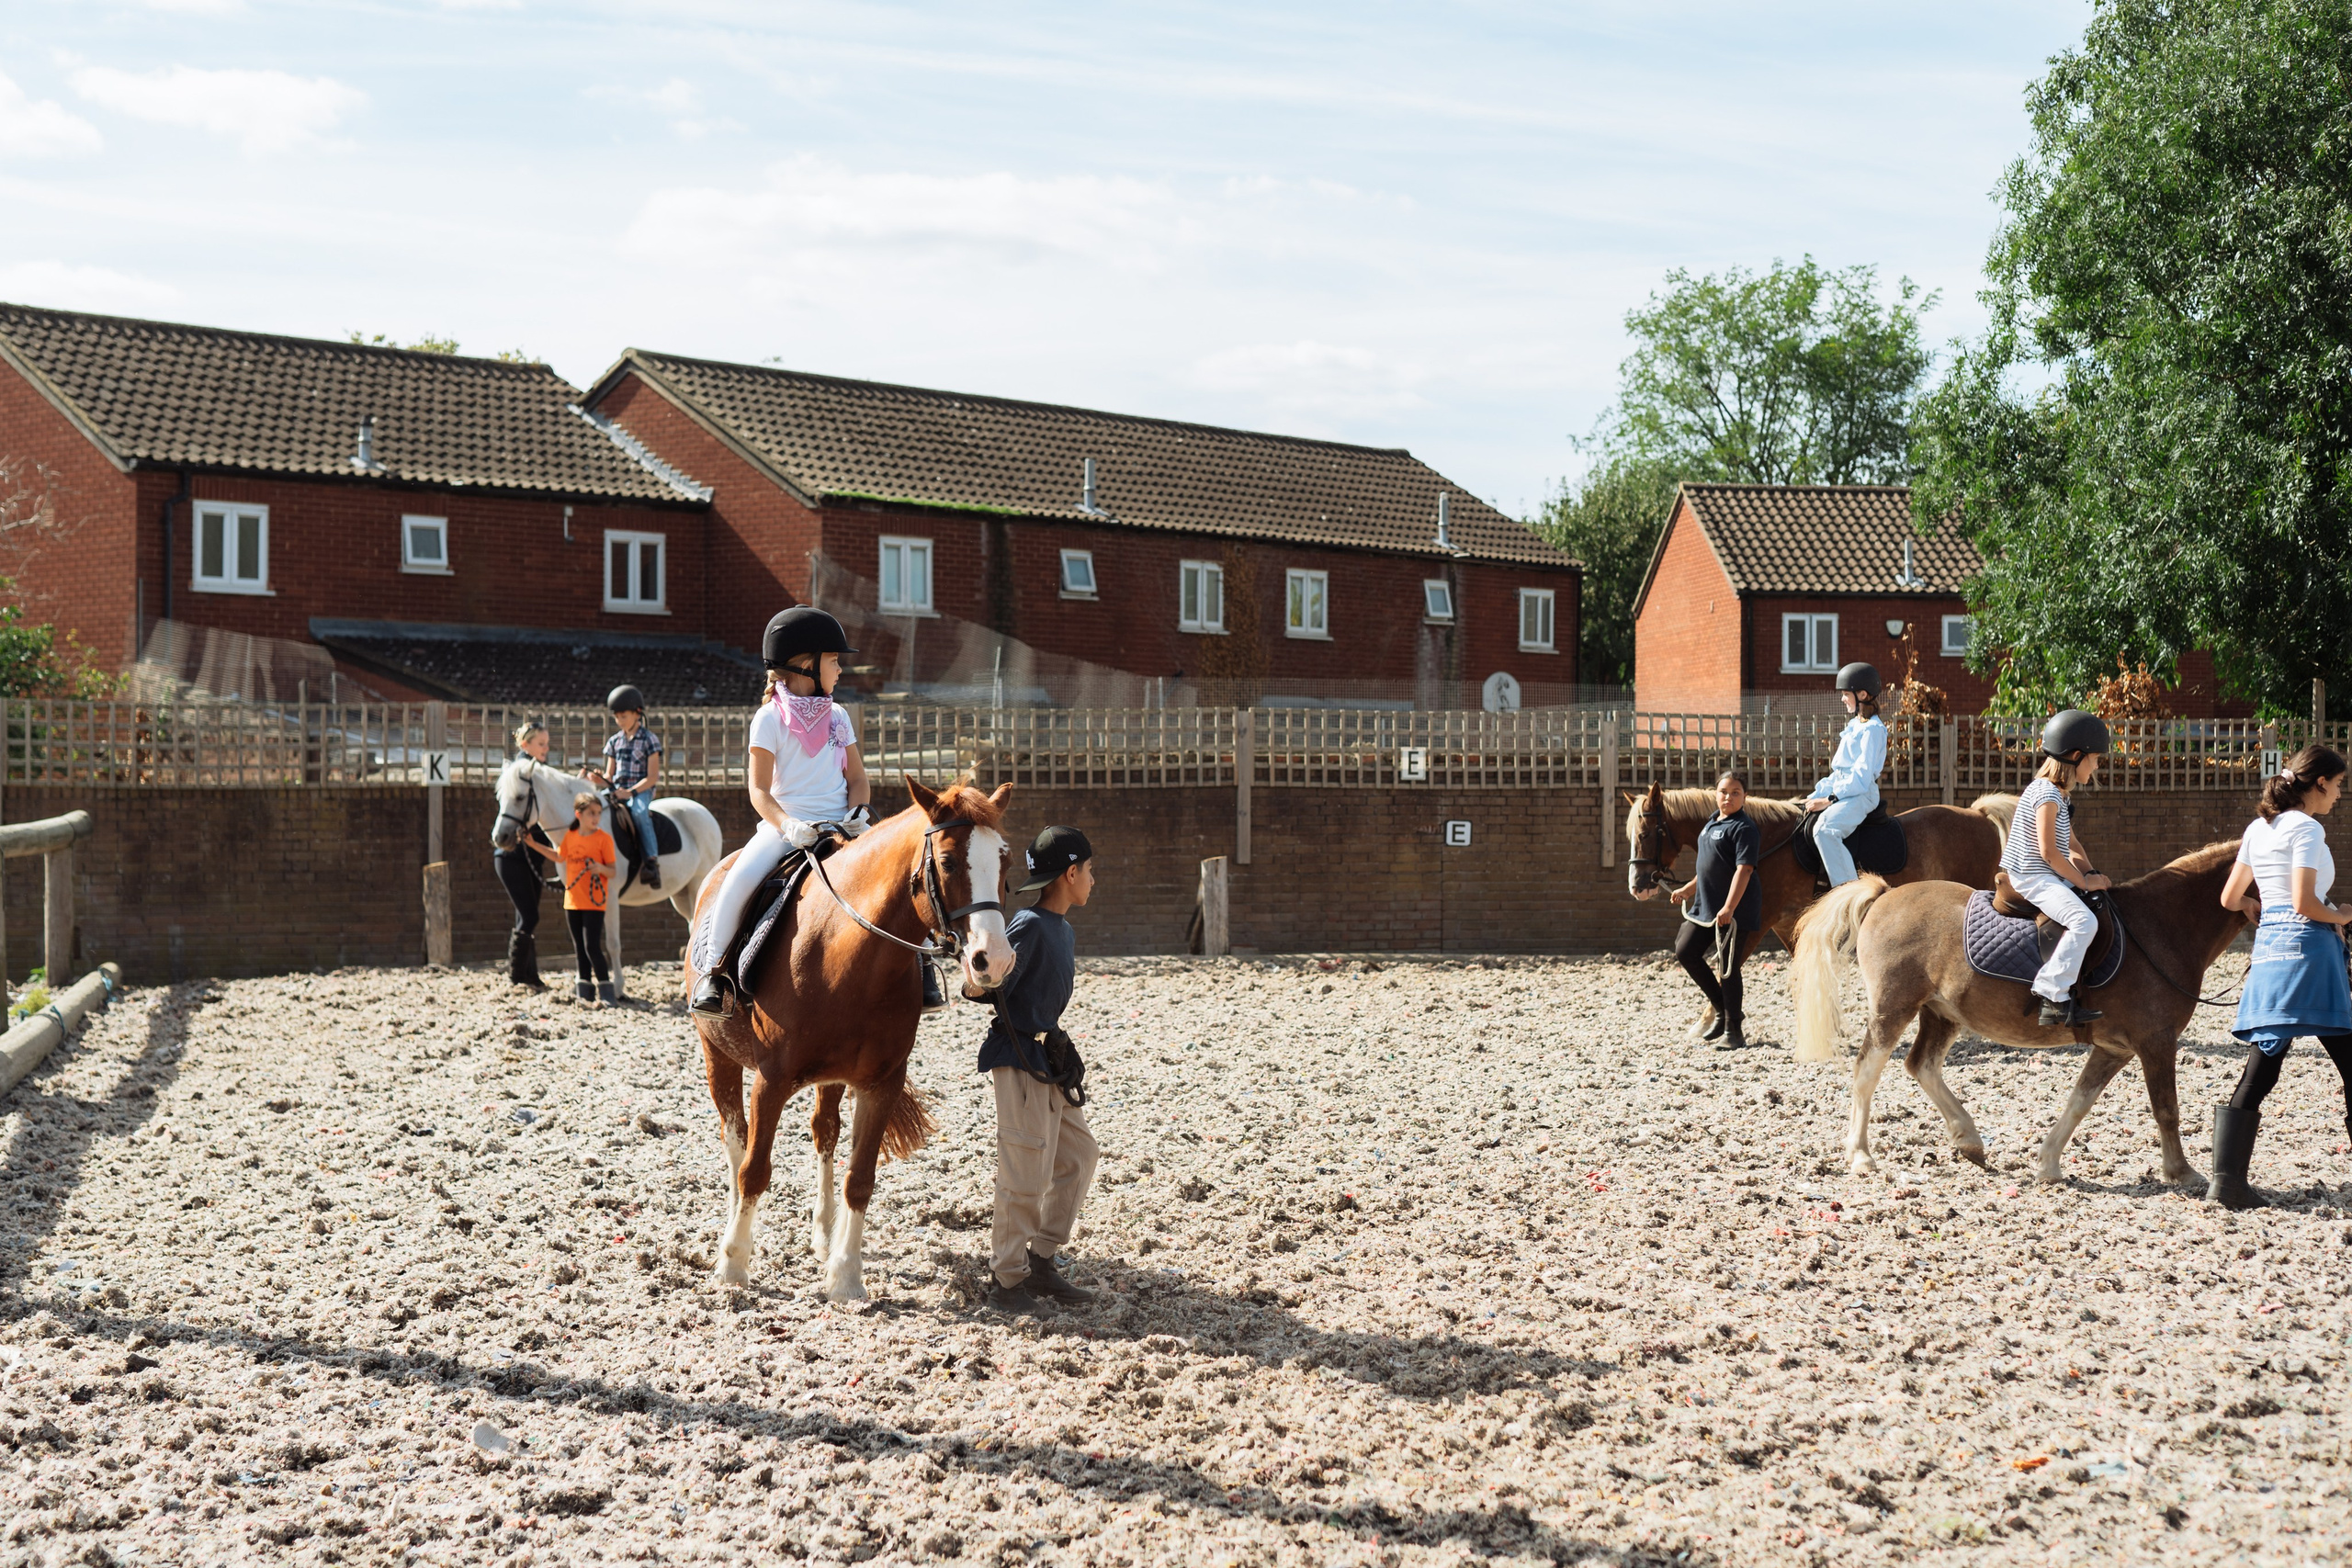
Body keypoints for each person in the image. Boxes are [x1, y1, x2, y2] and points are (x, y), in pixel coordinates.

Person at [688, 607, 893, 1020]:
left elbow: (857, 778)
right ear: (805, 665)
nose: (840, 670)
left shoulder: (838, 716)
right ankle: (714, 973)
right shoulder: (767, 719)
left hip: (842, 823)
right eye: (834, 660)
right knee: (737, 883)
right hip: (788, 828)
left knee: (897, 873)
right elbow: (759, 790)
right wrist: (788, 825)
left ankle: (921, 967)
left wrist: (855, 810)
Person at [2214, 744, 2352, 1210]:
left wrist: (2255, 905)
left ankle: (2226, 1181)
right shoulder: (2308, 829)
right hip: (2311, 956)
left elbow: (2231, 897)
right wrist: (2343, 914)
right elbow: (2304, 903)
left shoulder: (2259, 828)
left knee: (2261, 1070)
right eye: (2336, 786)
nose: (2338, 795)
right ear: (2318, 785)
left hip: (2271, 955)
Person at [981, 825, 1100, 1314]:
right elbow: (986, 982)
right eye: (1090, 871)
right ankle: (1007, 1283)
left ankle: (1043, 1260)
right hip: (1018, 1059)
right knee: (1025, 1171)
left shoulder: (1063, 928)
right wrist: (978, 978)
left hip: (1046, 1059)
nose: (1093, 879)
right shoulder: (1028, 924)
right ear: (1070, 873)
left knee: (1078, 1155)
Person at [2001, 709, 2113, 1028]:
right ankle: (2052, 992)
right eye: (2094, 759)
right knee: (2083, 922)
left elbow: (2072, 846)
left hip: (2045, 874)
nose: (2096, 766)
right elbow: (2049, 852)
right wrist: (2082, 881)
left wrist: (2092, 874)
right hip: (2032, 877)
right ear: (2075, 756)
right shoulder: (2046, 794)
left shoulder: (2059, 797)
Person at [1668, 770, 1760, 1050]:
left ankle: (1734, 1032)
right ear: (1715, 794)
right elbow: (1710, 864)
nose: (1728, 797)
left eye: (1735, 793)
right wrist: (1689, 888)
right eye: (1723, 792)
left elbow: (1743, 870)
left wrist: (1729, 907)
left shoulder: (1744, 828)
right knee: (1685, 950)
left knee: (1728, 968)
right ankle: (1722, 1009)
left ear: (1744, 797)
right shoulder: (1711, 823)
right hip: (1705, 907)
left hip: (1734, 911)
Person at [523, 791, 617, 1005]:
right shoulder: (571, 837)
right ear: (579, 814)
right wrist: (532, 844)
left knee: (592, 946)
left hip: (594, 902)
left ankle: (606, 988)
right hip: (573, 901)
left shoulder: (604, 839)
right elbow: (558, 856)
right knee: (579, 947)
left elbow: (612, 871)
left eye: (598, 813)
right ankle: (584, 989)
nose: (596, 818)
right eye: (591, 813)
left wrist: (599, 868)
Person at [1804, 663, 1889, 887]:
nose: (1842, 699)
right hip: (1845, 790)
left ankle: (1849, 894)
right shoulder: (1855, 725)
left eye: (1845, 694)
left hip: (1861, 794)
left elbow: (1860, 777)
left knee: (1825, 830)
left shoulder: (1873, 730)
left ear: (1862, 694)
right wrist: (1814, 795)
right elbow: (1839, 773)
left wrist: (1830, 799)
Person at [493, 719, 554, 989]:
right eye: (540, 744)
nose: (545, 749)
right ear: (525, 744)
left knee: (527, 916)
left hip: (531, 856)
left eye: (546, 744)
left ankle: (529, 975)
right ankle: (517, 974)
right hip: (512, 856)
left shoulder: (537, 772)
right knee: (529, 916)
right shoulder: (520, 772)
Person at [589, 685, 663, 892]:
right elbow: (609, 776)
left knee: (639, 813)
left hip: (641, 790)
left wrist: (630, 793)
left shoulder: (650, 740)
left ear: (637, 713)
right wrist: (598, 778)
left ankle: (651, 862)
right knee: (591, 806)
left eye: (624, 716)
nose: (620, 721)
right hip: (617, 789)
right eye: (617, 717)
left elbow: (652, 777)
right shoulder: (614, 741)